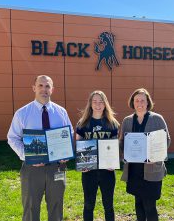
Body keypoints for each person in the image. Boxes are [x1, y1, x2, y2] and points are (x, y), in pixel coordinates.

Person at [7, 75, 73, 221]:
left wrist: (67, 152)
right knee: (30, 208)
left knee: (56, 207)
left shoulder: (61, 112)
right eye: (41, 85)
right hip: (32, 169)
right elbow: (12, 138)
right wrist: (27, 156)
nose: (44, 89)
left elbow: (69, 134)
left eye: (47, 86)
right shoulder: (22, 113)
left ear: (52, 89)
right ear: (34, 88)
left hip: (57, 168)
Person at [119, 88, 171, 221]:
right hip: (134, 170)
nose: (139, 103)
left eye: (143, 100)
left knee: (150, 206)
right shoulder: (127, 121)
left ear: (148, 102)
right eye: (137, 100)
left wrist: (155, 157)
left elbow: (166, 141)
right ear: (133, 102)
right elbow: (122, 143)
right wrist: (113, 151)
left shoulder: (157, 119)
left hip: (151, 169)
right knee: (138, 204)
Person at [76, 90, 120, 221]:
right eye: (94, 101)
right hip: (89, 170)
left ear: (105, 104)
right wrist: (81, 163)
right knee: (89, 205)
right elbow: (78, 144)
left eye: (101, 102)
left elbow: (115, 146)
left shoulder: (112, 123)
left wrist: (113, 162)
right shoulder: (83, 123)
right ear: (90, 104)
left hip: (107, 171)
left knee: (109, 206)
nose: (98, 105)